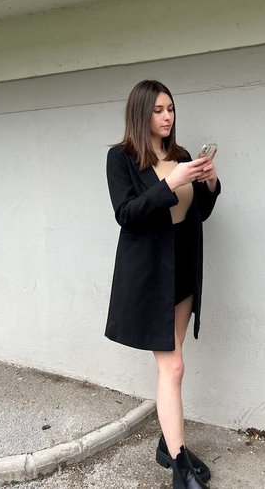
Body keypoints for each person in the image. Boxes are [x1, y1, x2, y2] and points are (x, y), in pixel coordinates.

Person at [105, 80, 221, 488]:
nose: (167, 116)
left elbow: (198, 211)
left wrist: (208, 181)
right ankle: (179, 465)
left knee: (172, 367)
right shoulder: (121, 158)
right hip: (150, 276)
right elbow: (127, 214)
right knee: (173, 367)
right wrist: (169, 183)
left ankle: (166, 441)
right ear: (141, 113)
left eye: (170, 108)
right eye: (158, 110)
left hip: (183, 269)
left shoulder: (182, 156)